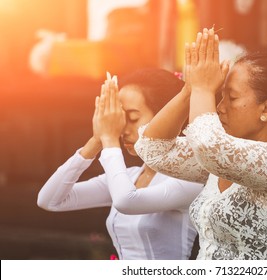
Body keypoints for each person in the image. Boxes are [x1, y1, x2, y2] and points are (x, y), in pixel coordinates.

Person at [134, 28, 267, 259]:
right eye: (219, 96)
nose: (219, 107)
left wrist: (203, 88)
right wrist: (190, 89)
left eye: (232, 97)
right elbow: (152, 149)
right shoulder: (221, 155)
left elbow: (209, 148)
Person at [37, 68, 203, 260]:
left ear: (168, 117)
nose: (122, 129)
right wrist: (96, 140)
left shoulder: (189, 179)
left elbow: (126, 201)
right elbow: (49, 200)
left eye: (132, 118)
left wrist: (109, 139)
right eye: (120, 119)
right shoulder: (128, 177)